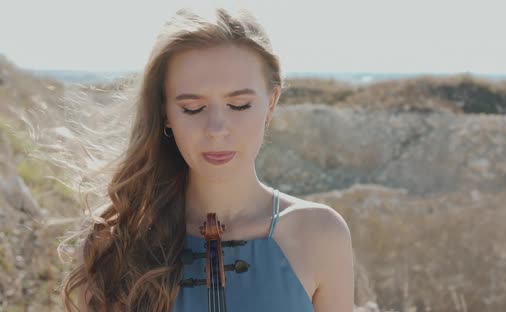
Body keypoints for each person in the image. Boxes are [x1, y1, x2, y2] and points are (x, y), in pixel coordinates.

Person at [59, 5, 354, 312]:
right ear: (165, 112)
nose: (216, 130)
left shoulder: (320, 234)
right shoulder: (112, 245)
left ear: (271, 104)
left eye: (239, 105)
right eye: (192, 108)